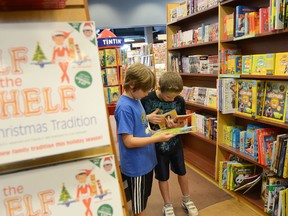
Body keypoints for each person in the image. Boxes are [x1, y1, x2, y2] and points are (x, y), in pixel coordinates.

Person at [114, 63, 175, 216]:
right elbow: (129, 141)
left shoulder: (135, 101)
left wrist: (155, 130)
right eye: (145, 90)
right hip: (137, 166)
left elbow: (140, 128)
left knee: (143, 199)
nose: (147, 94)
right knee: (139, 206)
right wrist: (157, 138)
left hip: (146, 161)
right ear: (133, 85)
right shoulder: (124, 107)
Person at [141, 72, 199, 216]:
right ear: (159, 88)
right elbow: (139, 122)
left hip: (175, 142)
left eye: (174, 97)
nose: (171, 100)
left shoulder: (179, 100)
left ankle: (186, 200)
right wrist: (148, 118)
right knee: (163, 176)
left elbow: (182, 120)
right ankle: (167, 204)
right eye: (168, 97)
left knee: (182, 171)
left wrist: (176, 125)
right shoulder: (146, 100)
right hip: (157, 144)